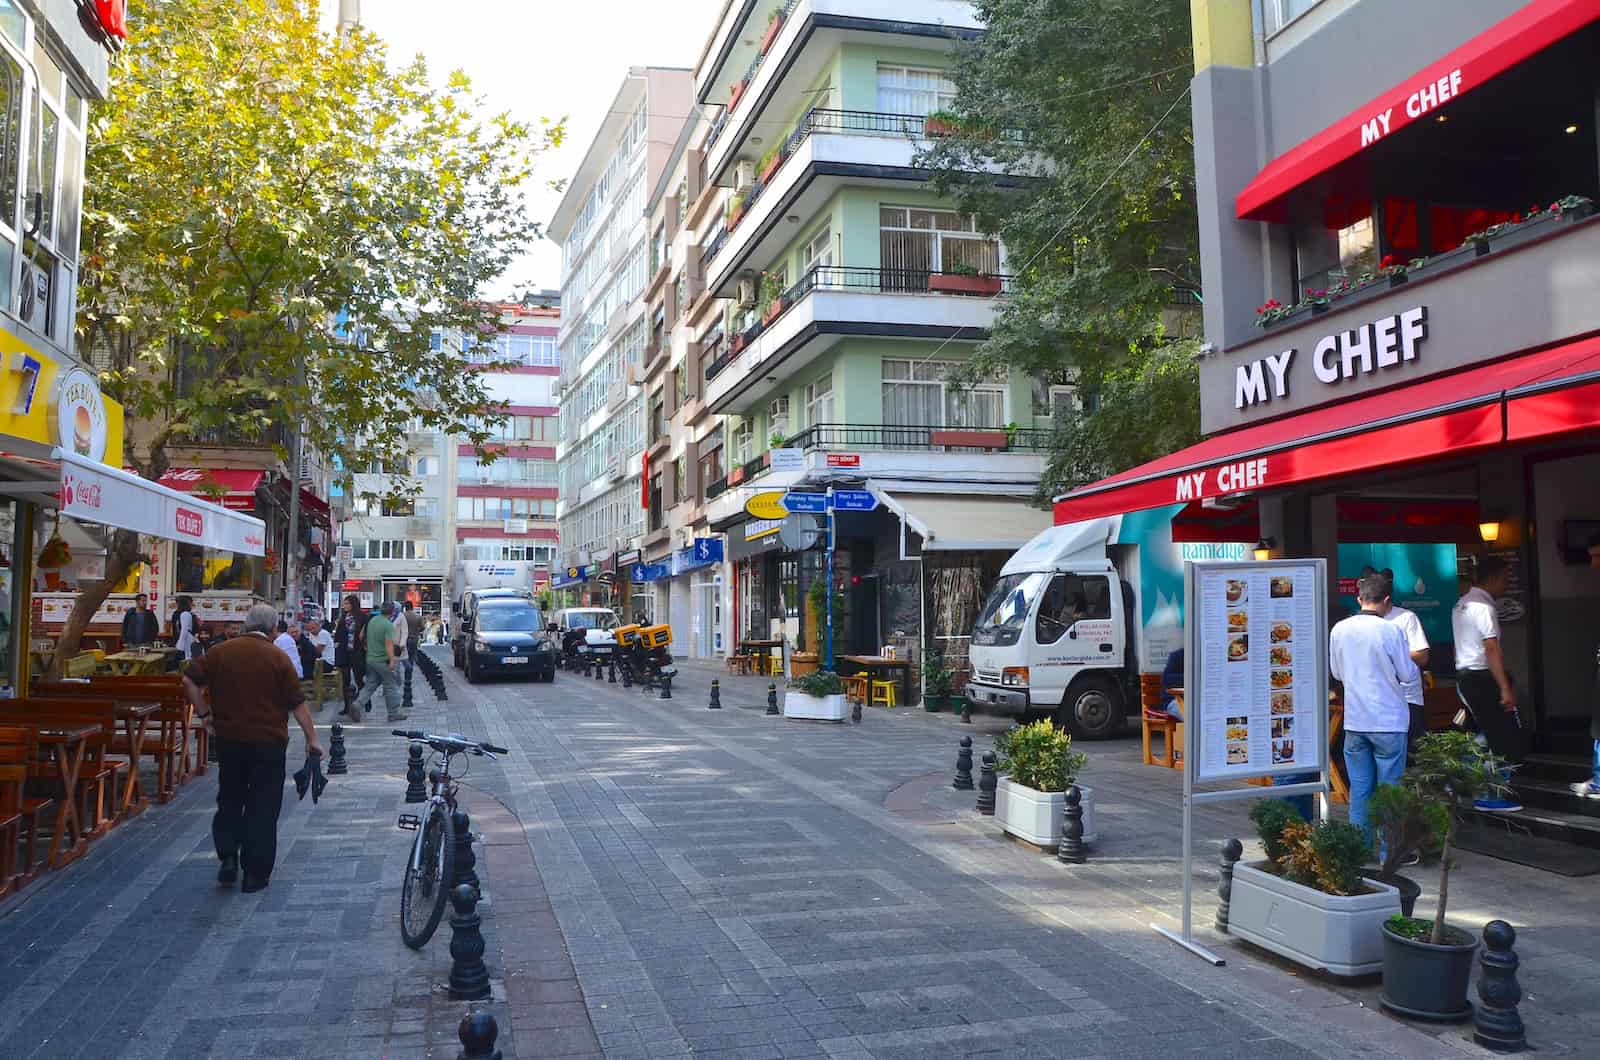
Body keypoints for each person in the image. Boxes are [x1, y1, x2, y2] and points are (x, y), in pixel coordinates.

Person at [182, 603, 321, 892]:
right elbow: (297, 704)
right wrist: (312, 739)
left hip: (230, 739)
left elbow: (188, 680)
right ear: (272, 628)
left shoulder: (220, 652)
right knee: (263, 804)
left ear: (247, 624)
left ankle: (228, 856)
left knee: (231, 797)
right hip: (268, 742)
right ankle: (255, 873)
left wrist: (205, 714)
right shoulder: (277, 658)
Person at [1330, 572, 1420, 845]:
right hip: (1388, 721)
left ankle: (1359, 851)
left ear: (1359, 599)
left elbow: (1337, 672)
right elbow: (1407, 675)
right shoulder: (1391, 630)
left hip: (1355, 721)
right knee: (1389, 790)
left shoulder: (1339, 630)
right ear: (1387, 601)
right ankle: (1388, 853)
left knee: (1360, 789)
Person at [1452, 556, 1528, 769]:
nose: (1506, 585)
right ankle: (1492, 792)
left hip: (1465, 676)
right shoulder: (1483, 606)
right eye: (1505, 579)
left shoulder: (1460, 604)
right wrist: (1505, 688)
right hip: (1482, 677)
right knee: (1502, 736)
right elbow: (1491, 648)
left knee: (1484, 731)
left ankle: (1469, 775)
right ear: (1493, 578)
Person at [1379, 568, 1431, 759]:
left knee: (1412, 754)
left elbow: (1422, 655)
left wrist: (1390, 656)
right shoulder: (1359, 621)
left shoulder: (1406, 617)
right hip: (1378, 700)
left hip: (1408, 698)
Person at [350, 600, 405, 724]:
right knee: (391, 685)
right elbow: (389, 644)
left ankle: (357, 704)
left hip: (370, 659)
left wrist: (369, 647)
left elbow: (360, 636)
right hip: (382, 660)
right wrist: (392, 660)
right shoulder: (387, 625)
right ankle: (393, 713)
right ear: (393, 612)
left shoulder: (372, 621)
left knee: (371, 684)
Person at [335, 596, 367, 712]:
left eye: (347, 603)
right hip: (344, 652)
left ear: (353, 604)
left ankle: (365, 700)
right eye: (344, 604)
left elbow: (365, 634)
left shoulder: (362, 617)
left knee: (359, 679)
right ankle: (347, 707)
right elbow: (338, 634)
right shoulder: (343, 617)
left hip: (357, 651)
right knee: (345, 681)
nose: (345, 606)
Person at [400, 600, 421, 708]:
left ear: (405, 607)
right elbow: (422, 628)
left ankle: (405, 671)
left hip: (404, 640)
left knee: (403, 657)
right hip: (413, 639)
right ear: (412, 607)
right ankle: (409, 672)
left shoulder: (402, 616)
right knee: (412, 657)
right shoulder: (417, 617)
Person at [171, 595, 198, 660]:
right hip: (181, 639)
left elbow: (184, 630)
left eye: (177, 603)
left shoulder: (186, 614)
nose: (176, 605)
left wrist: (179, 644)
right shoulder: (176, 614)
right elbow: (175, 629)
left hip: (185, 640)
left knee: (187, 657)